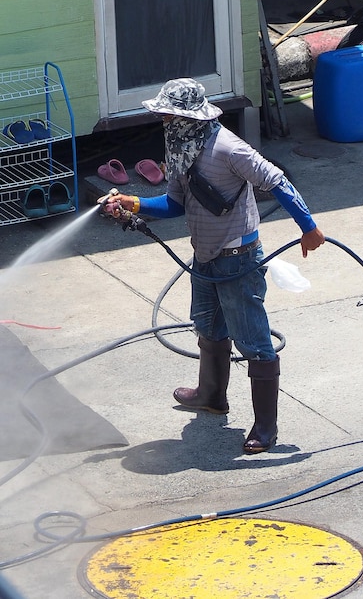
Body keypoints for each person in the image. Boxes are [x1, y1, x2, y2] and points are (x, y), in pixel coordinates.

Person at [100, 78, 325, 454]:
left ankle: (265, 429)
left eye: (169, 114)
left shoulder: (229, 148)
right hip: (204, 255)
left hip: (237, 259)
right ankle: (211, 395)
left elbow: (278, 181)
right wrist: (134, 202)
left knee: (253, 342)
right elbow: (175, 204)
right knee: (206, 325)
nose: (164, 121)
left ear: (188, 116)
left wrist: (309, 228)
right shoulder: (181, 147)